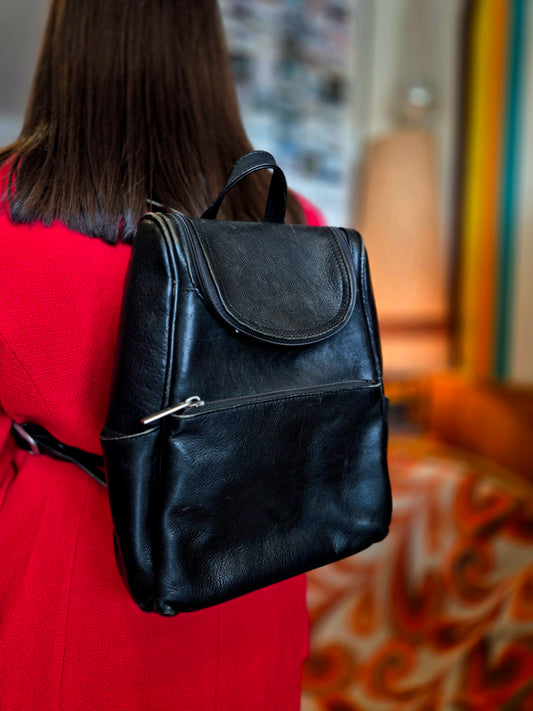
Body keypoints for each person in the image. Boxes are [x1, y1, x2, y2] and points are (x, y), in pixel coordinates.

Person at [0, 1, 324, 708]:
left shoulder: (8, 212)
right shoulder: (295, 224)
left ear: (69, 43)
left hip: (72, 596)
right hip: (251, 590)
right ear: (206, 51)